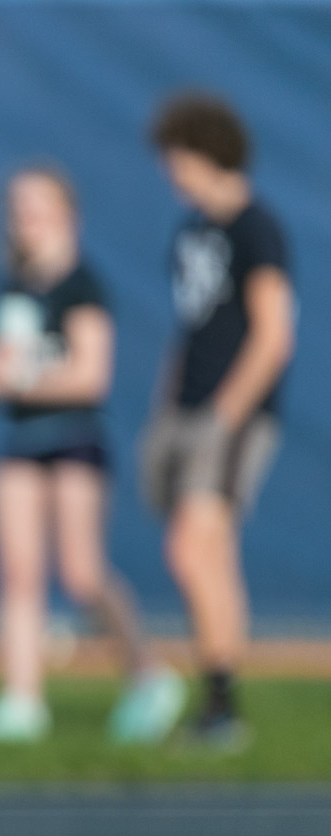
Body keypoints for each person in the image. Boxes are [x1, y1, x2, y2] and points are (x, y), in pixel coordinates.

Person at [0, 166, 183, 744]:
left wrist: (17, 380)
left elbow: (89, 376)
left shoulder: (83, 285)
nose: (26, 218)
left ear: (66, 214)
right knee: (17, 574)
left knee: (81, 574)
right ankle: (21, 701)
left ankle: (147, 673)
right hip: (18, 439)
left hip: (73, 439)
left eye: (39, 206)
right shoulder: (9, 286)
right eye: (18, 206)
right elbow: (2, 355)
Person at [143, 93, 294, 749]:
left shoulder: (255, 228)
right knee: (210, 556)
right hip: (188, 408)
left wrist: (224, 415)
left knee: (191, 548)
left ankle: (221, 704)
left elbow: (273, 334)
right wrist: (166, 410)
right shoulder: (190, 232)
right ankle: (220, 703)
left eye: (176, 158)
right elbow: (191, 331)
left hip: (231, 416)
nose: (170, 173)